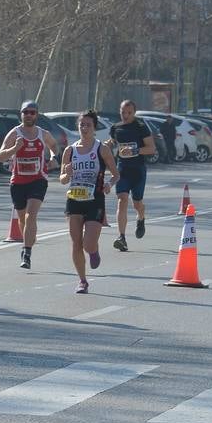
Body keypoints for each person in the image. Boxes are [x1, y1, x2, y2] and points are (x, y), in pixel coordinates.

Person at [59, 111, 118, 294]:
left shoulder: (102, 149)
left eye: (88, 125)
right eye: (81, 125)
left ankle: (93, 251)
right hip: (74, 199)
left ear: (94, 128)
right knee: (76, 242)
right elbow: (61, 179)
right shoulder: (70, 150)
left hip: (95, 199)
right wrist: (67, 174)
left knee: (88, 243)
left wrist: (109, 184)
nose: (84, 128)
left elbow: (116, 174)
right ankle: (82, 280)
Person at [0, 100, 58, 270]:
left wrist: (53, 157)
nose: (29, 115)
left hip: (38, 180)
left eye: (32, 112)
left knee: (31, 215)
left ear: (36, 115)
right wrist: (14, 149)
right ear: (21, 114)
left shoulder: (42, 133)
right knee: (23, 219)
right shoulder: (14, 134)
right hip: (18, 182)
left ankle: (27, 251)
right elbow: (1, 156)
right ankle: (28, 240)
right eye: (26, 112)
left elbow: (54, 146)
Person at [108, 99, 155, 252]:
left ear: (134, 112)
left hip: (138, 170)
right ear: (119, 111)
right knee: (122, 200)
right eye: (123, 112)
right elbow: (113, 142)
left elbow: (151, 149)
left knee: (137, 204)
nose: (126, 115)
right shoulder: (116, 127)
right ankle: (121, 237)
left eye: (129, 113)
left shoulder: (140, 127)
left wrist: (135, 150)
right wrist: (108, 144)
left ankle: (141, 218)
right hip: (122, 169)